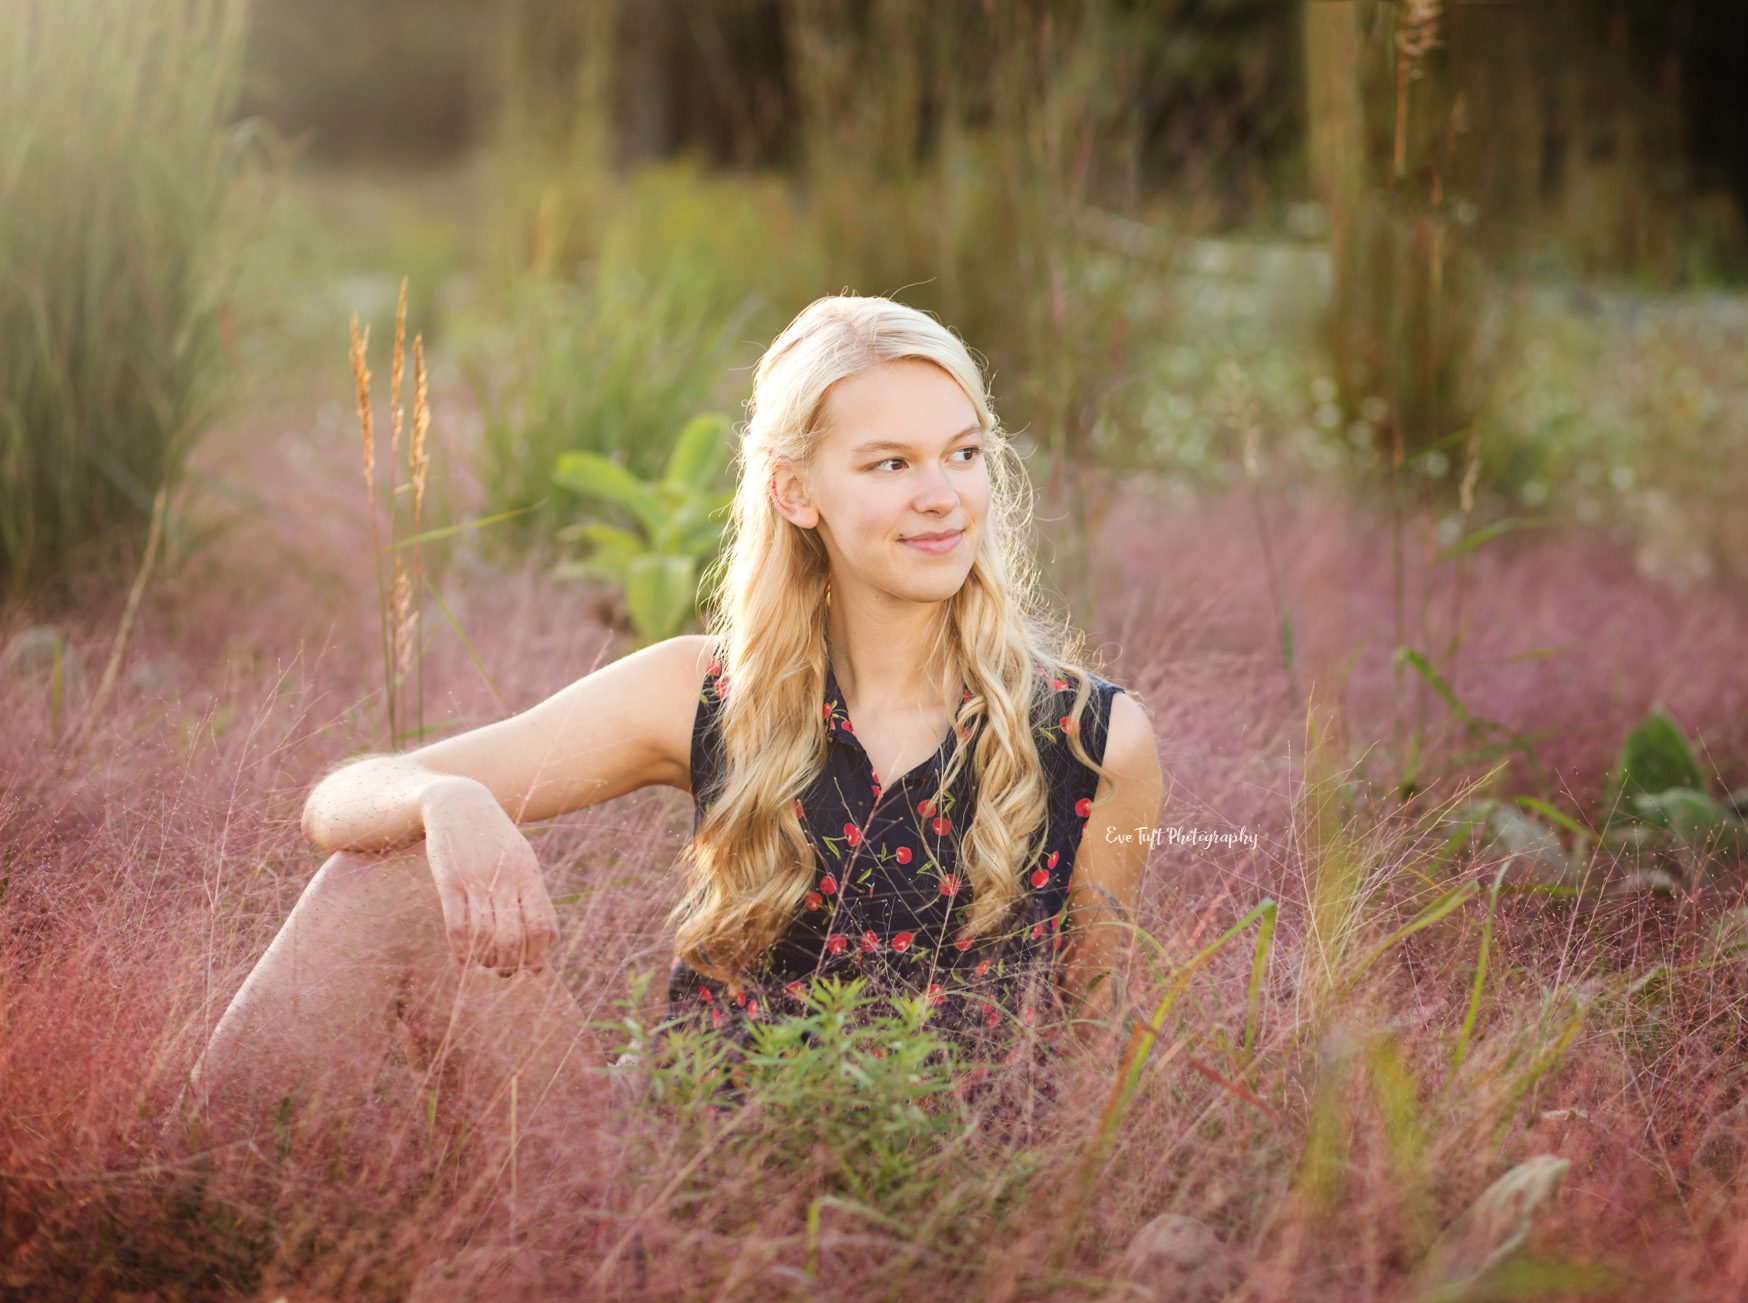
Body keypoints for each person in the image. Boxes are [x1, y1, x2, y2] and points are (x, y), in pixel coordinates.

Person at [187, 294, 1163, 1156]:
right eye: (888, 462)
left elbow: (1086, 1036)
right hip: (655, 1183)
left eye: (961, 452)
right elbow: (339, 797)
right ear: (796, 492)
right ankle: (184, 1218)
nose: (940, 495)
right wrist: (448, 798)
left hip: (917, 1210)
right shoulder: (701, 691)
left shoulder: (1092, 739)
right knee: (384, 873)